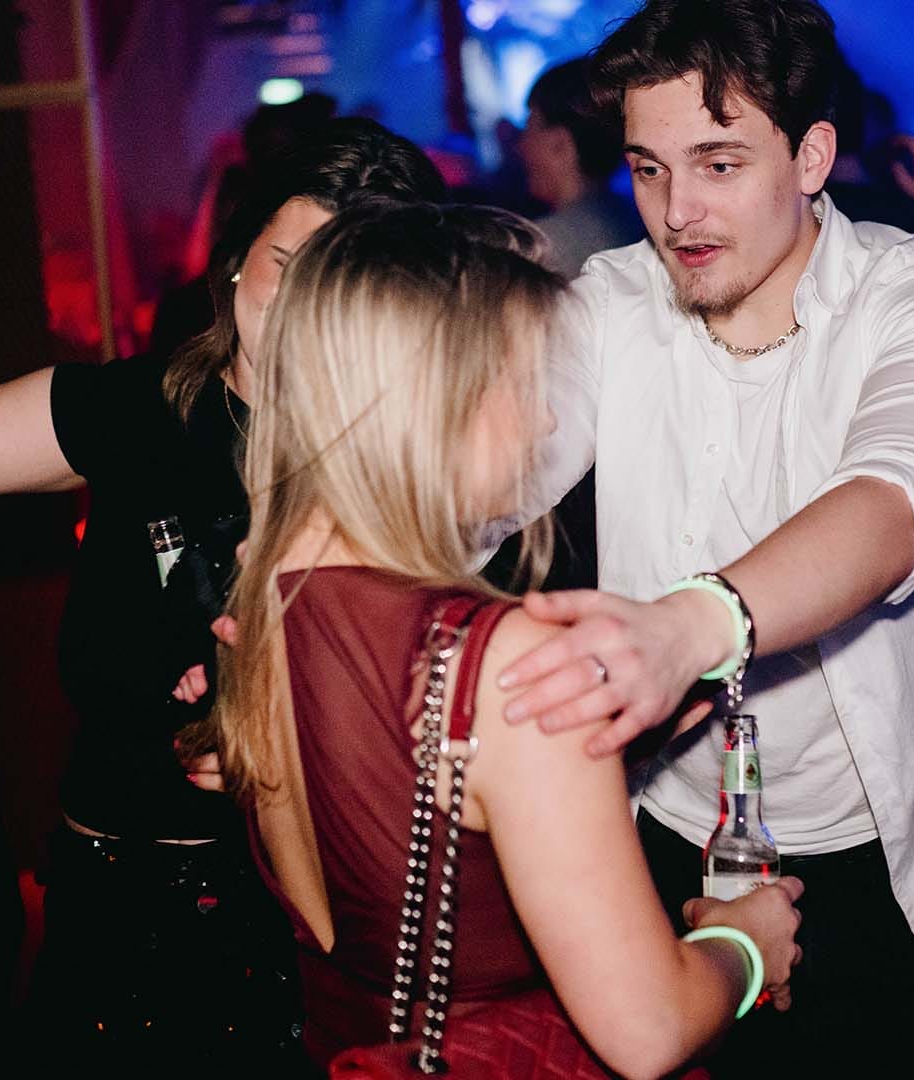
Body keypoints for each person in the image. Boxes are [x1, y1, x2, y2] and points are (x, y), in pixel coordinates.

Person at [482, 0, 914, 1063]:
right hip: (676, 838)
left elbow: (892, 504)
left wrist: (686, 629)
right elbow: (481, 486)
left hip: (907, 861)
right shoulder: (609, 306)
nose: (677, 212)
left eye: (718, 164)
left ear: (812, 157)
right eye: (649, 169)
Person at [0, 118, 448, 1046]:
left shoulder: (415, 462)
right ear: (238, 259)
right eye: (289, 263)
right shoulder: (141, 410)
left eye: (347, 278)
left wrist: (291, 745)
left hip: (316, 924)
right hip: (109, 899)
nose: (310, 305)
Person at [208, 200, 806, 1078]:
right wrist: (746, 945)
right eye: (524, 381)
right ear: (435, 396)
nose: (546, 422)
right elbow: (648, 1032)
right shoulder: (501, 661)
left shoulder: (259, 605)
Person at [520, 58, 648, 276]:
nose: (521, 146)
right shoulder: (635, 215)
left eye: (529, 127)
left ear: (560, 144)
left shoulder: (546, 246)